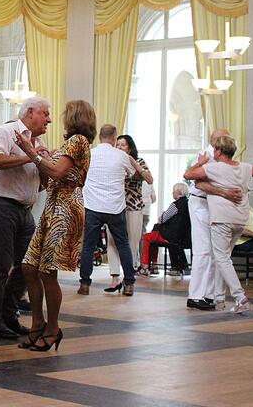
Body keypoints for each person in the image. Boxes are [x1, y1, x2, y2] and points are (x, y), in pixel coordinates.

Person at [15, 100, 95, 352]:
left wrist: (32, 152)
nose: (54, 119)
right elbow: (54, 171)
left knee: (47, 271)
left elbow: (58, 173)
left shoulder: (77, 141)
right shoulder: (71, 143)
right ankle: (38, 323)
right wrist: (44, 157)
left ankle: (52, 327)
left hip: (66, 207)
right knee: (29, 266)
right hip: (53, 205)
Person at [184, 135, 253, 312]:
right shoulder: (244, 167)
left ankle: (240, 297)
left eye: (215, 149)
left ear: (219, 151)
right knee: (224, 260)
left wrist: (201, 162)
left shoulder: (214, 168)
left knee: (221, 258)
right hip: (240, 219)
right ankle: (219, 298)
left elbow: (188, 175)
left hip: (222, 219)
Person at [0, 97, 51, 340]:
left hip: (24, 209)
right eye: (45, 114)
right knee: (0, 266)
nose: (49, 119)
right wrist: (30, 156)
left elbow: (42, 183)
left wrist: (44, 165)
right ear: (30, 112)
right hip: (0, 204)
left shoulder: (39, 142)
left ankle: (10, 314)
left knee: (28, 266)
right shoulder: (5, 132)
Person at [185, 129, 243, 311]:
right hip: (201, 204)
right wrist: (224, 192)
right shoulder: (205, 156)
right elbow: (195, 180)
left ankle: (208, 295)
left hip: (212, 206)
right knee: (203, 250)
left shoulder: (219, 160)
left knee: (213, 251)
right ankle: (196, 295)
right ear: (217, 142)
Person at [78, 125, 137, 296]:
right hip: (115, 206)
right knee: (123, 245)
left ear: (99, 137)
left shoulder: (90, 154)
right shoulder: (121, 155)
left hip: (93, 206)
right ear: (113, 137)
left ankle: (85, 284)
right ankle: (129, 284)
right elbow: (132, 174)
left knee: (88, 246)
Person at [106, 134, 153, 283]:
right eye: (117, 145)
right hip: (114, 206)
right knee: (112, 240)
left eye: (123, 145)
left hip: (133, 206)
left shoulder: (138, 161)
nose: (119, 147)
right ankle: (114, 276)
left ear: (130, 148)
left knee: (132, 241)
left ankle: (129, 274)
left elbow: (149, 179)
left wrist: (133, 163)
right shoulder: (113, 162)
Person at [139, 183, 191, 273]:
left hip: (170, 235)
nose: (172, 193)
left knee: (147, 237)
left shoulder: (175, 205)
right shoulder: (189, 204)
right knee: (152, 236)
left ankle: (146, 266)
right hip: (184, 237)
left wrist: (163, 214)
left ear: (178, 192)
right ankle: (154, 265)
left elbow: (162, 220)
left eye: (173, 191)